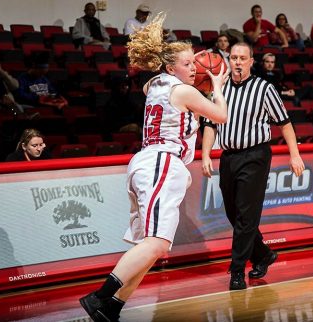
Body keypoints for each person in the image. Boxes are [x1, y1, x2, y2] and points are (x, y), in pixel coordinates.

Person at [79, 13, 229, 321]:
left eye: (195, 63)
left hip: (145, 163)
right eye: (189, 64)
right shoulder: (184, 91)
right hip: (162, 162)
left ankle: (112, 307)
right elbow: (221, 116)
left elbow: (150, 83)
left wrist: (179, 65)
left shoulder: (156, 84)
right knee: (157, 243)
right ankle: (99, 296)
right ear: (171, 67)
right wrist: (216, 85)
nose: (195, 68)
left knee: (150, 246)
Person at [202, 42, 305, 291]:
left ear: (251, 61)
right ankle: (263, 255)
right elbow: (210, 124)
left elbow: (285, 123)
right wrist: (205, 154)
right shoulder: (220, 88)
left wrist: (295, 155)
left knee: (247, 216)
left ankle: (237, 271)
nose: (237, 62)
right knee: (233, 213)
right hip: (228, 156)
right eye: (234, 57)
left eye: (242, 58)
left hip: (256, 155)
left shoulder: (265, 88)